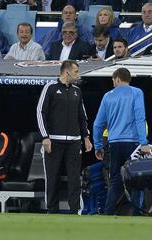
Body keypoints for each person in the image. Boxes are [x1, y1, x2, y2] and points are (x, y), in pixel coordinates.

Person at [36, 60, 93, 214]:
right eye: (76, 72)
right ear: (67, 72)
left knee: (75, 179)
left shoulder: (77, 91)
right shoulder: (50, 87)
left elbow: (82, 116)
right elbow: (40, 112)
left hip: (74, 142)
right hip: (54, 141)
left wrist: (86, 137)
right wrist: (45, 137)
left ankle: (75, 211)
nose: (78, 75)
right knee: (52, 178)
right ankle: (52, 210)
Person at [93, 67, 151, 215]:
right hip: (133, 143)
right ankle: (138, 213)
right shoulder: (137, 93)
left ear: (118, 79)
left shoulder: (107, 96)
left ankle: (109, 211)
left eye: (113, 79)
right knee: (137, 178)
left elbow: (98, 124)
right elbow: (140, 117)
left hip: (114, 144)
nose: (112, 82)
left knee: (114, 180)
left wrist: (98, 146)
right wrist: (143, 143)